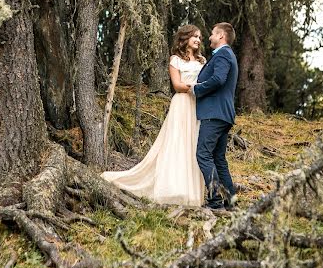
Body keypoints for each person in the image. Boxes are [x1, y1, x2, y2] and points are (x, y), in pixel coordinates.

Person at [101, 25, 205, 206]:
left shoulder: (202, 61)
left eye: (200, 37)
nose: (198, 40)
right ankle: (174, 189)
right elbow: (177, 85)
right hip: (182, 104)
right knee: (178, 143)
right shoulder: (175, 60)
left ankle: (192, 191)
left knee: (193, 144)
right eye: (194, 36)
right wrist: (197, 87)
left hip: (197, 106)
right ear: (185, 38)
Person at [192, 22, 238, 210]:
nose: (209, 37)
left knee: (203, 154)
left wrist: (197, 89)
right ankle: (231, 201)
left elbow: (219, 79)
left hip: (214, 113)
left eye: (212, 34)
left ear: (221, 36)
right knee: (218, 158)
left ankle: (214, 201)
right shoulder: (227, 55)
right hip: (223, 114)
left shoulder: (223, 54)